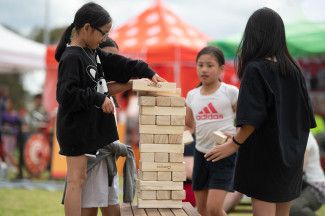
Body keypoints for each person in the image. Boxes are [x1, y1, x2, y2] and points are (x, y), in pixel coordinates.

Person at [55, 3, 165, 216]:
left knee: (80, 179)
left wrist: (146, 71)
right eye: (103, 33)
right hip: (74, 129)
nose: (104, 38)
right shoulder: (71, 57)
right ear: (87, 28)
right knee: (75, 180)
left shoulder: (93, 53)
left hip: (89, 128)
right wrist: (98, 98)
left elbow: (120, 63)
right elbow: (66, 95)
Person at [205, 7, 316, 216]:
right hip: (291, 159)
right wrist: (238, 138)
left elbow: (251, 119)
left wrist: (234, 144)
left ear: (253, 35)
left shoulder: (255, 69)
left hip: (264, 159)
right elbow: (304, 119)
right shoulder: (294, 71)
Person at [79, 38, 134, 216]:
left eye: (116, 58)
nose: (113, 63)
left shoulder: (110, 95)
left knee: (113, 210)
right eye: (108, 57)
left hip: (107, 161)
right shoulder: (89, 87)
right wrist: (133, 82)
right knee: (89, 210)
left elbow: (108, 89)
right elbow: (102, 90)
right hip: (92, 160)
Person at [185, 46, 239, 216]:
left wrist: (236, 138)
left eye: (210, 65)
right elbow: (189, 126)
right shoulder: (192, 95)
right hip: (200, 155)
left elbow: (246, 122)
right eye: (200, 65)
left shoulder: (230, 92)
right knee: (202, 210)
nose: (204, 69)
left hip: (224, 155)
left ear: (222, 69)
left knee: (214, 209)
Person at [290, 133, 325, 216]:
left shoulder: (306, 137)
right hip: (302, 184)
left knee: (293, 208)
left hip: (316, 187)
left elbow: (301, 168)